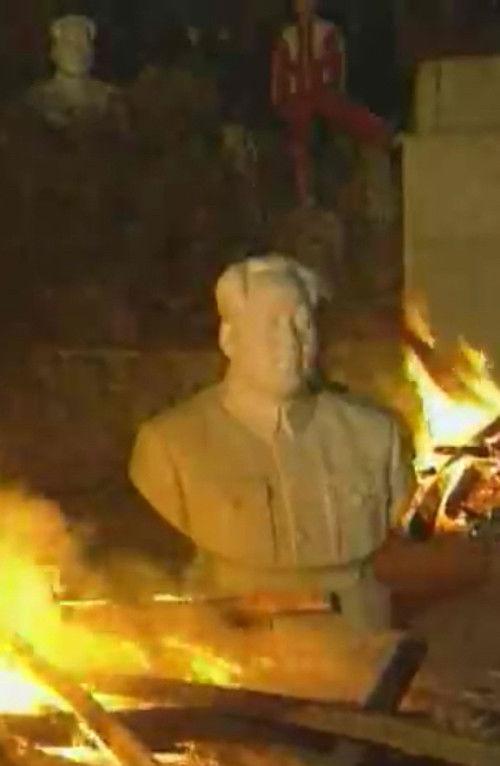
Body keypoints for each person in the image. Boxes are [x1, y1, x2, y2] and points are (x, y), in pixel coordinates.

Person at [129, 254, 413, 631]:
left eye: (303, 325)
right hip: (236, 655)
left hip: (361, 649)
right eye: (272, 325)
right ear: (229, 339)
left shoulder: (377, 437)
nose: (291, 342)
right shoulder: (170, 446)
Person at [271, 0, 392, 207]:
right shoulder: (286, 37)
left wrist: (329, 94)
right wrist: (282, 105)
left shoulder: (328, 32)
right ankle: (306, 198)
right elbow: (278, 77)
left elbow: (337, 73)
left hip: (325, 97)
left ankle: (378, 193)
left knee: (371, 129)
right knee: (299, 141)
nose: (304, 5)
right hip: (298, 101)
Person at [27, 14, 121, 129]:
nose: (77, 50)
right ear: (54, 52)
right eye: (69, 43)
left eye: (84, 44)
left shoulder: (111, 97)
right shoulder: (37, 99)